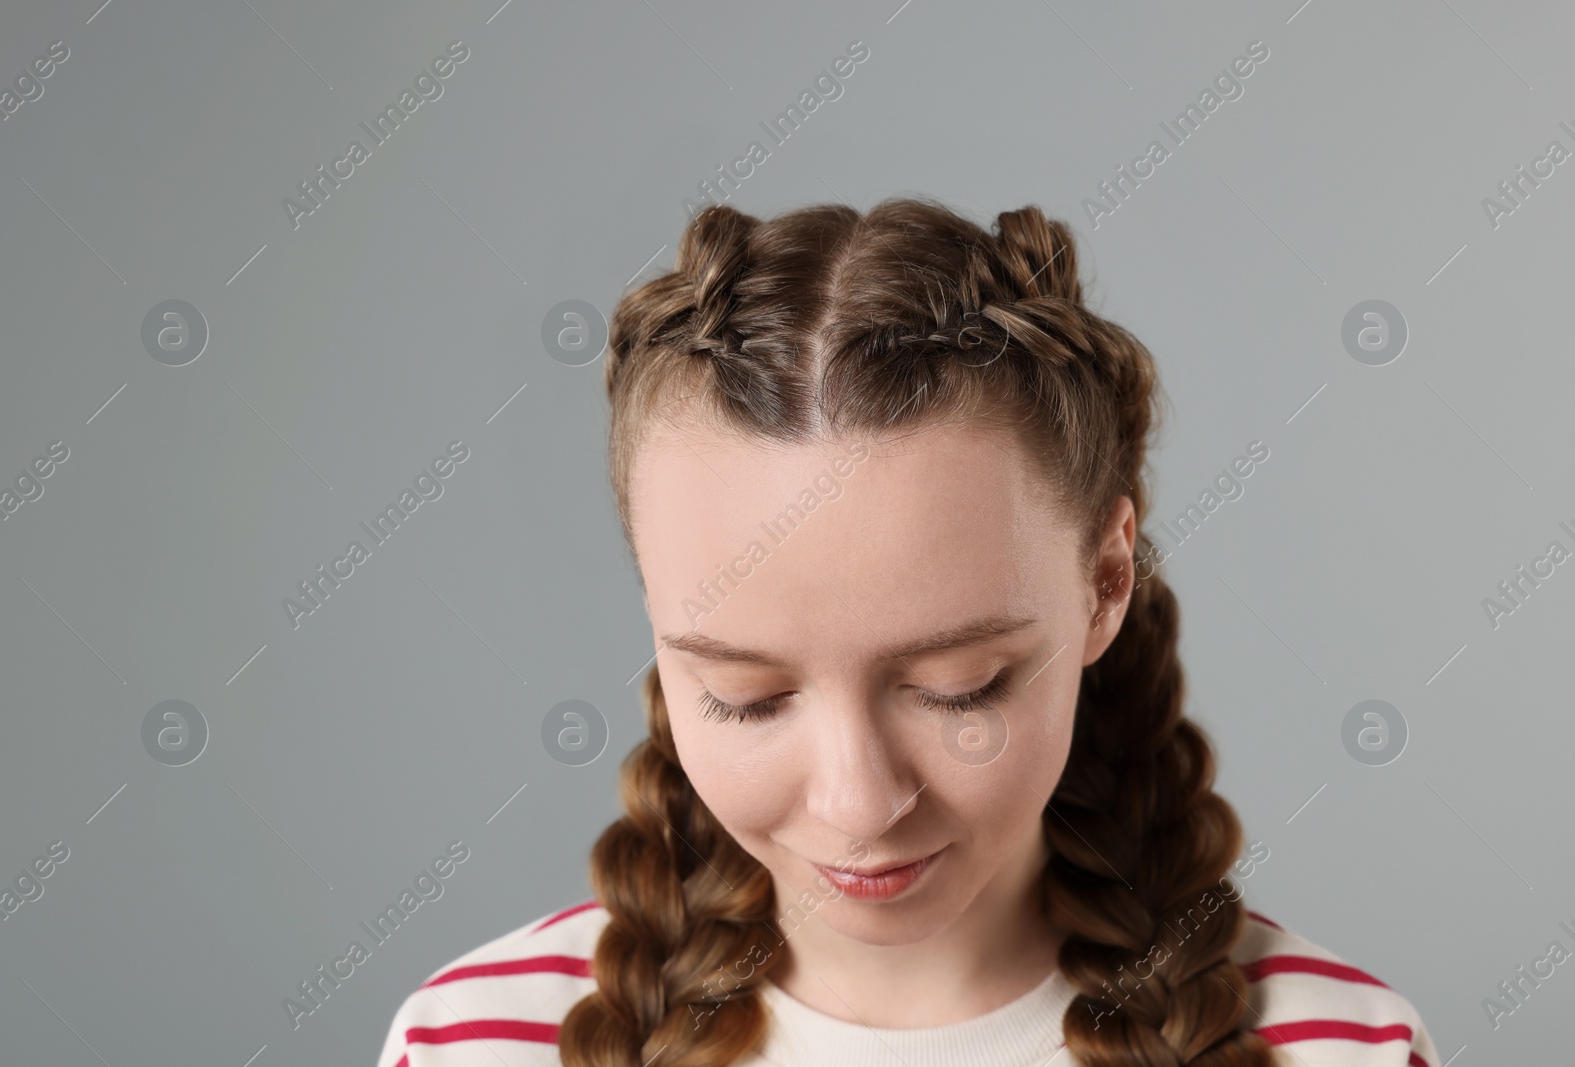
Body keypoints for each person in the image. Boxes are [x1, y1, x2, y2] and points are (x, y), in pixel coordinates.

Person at [376, 197, 1439, 1066]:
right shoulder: (472, 1042)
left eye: (959, 683)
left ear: (1106, 580)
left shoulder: (1338, 1048)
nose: (858, 801)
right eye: (744, 695)